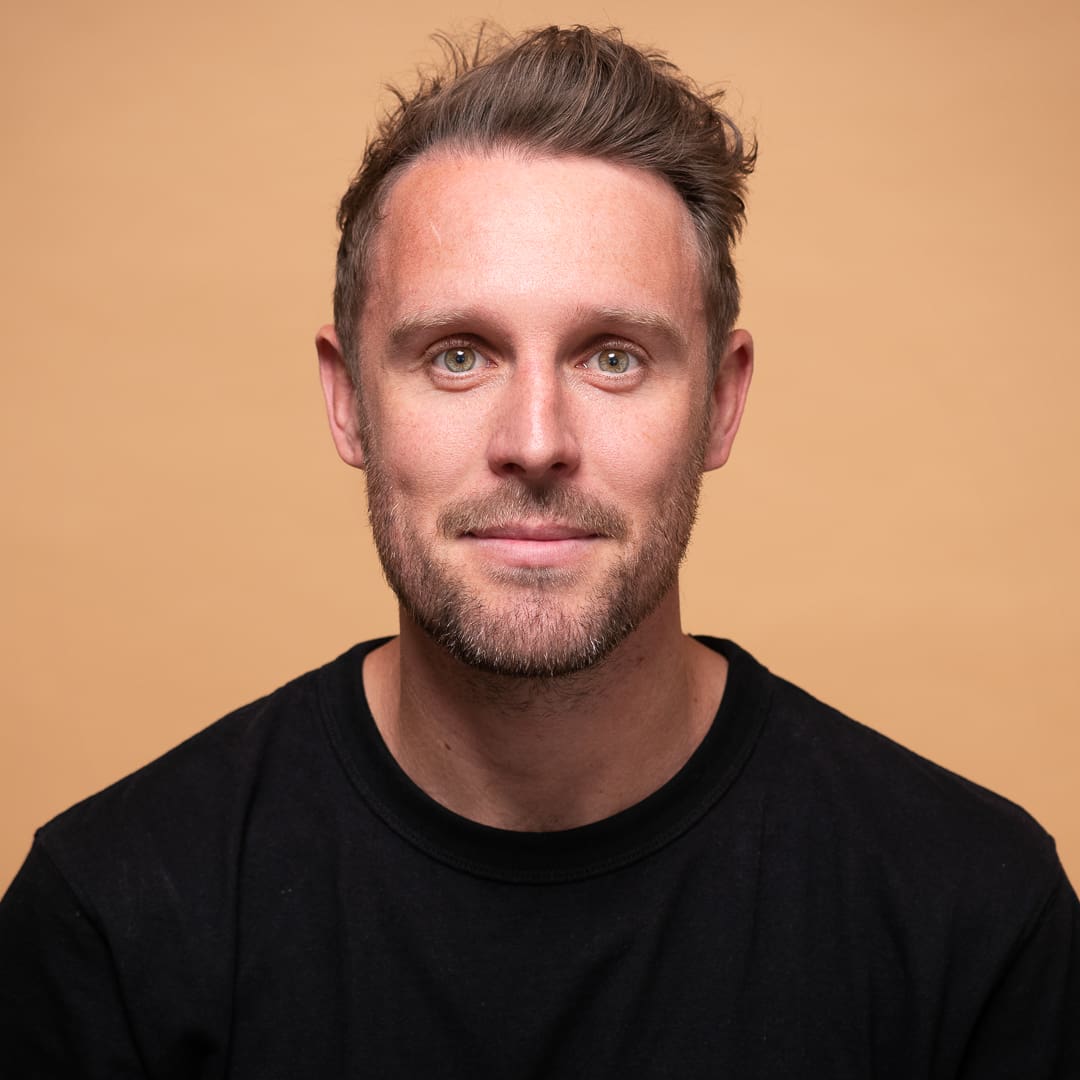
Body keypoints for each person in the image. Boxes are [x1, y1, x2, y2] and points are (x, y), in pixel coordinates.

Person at [1, 24, 1077, 1077]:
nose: (534, 443)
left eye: (613, 358)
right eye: (457, 356)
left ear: (720, 403)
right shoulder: (113, 915)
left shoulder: (973, 915)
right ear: (348, 403)